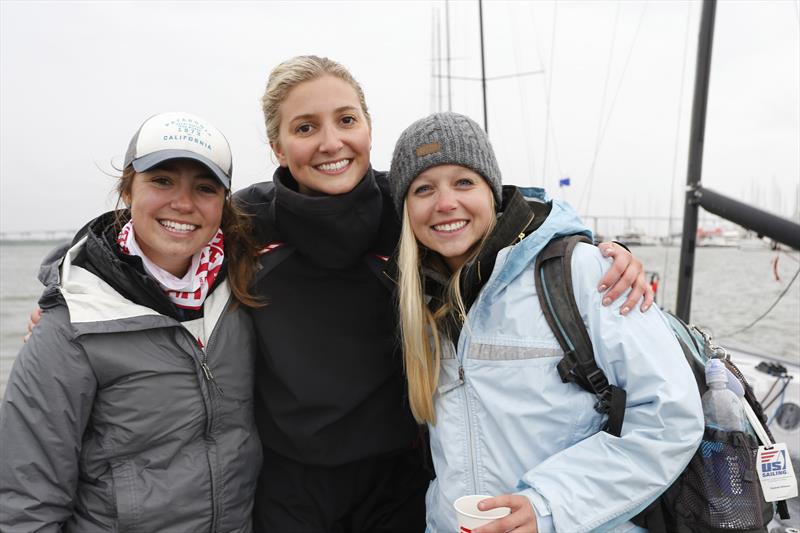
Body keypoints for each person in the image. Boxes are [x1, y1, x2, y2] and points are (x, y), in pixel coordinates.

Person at [236, 55, 656, 533]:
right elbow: (166, 243)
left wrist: (597, 247)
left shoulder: (410, 209)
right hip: (292, 486)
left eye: (346, 120)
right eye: (306, 127)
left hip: (400, 480)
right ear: (277, 146)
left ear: (369, 128)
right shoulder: (246, 224)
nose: (332, 142)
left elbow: (510, 217)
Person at [388, 112, 705, 533]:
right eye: (423, 189)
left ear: (493, 192)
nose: (445, 203)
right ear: (405, 209)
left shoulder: (583, 273)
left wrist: (547, 506)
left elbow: (669, 416)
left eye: (464, 182)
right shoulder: (424, 304)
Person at [0, 112, 263, 532]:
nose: (183, 203)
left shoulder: (247, 288)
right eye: (162, 181)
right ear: (127, 188)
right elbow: (27, 500)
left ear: (224, 203)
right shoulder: (74, 322)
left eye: (205, 187)